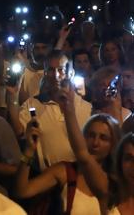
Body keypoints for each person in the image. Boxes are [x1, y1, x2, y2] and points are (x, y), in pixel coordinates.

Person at [14, 111, 121, 214]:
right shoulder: (66, 171)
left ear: (113, 144)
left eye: (103, 138)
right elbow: (22, 191)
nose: (95, 143)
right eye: (91, 135)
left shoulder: (117, 182)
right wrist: (28, 150)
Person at [8, 50, 92, 168]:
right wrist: (12, 96)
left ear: (71, 73)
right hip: (46, 179)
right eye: (51, 70)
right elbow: (19, 131)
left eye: (61, 70)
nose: (56, 76)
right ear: (45, 73)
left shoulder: (88, 109)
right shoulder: (33, 105)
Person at [58, 82, 134, 214]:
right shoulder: (108, 190)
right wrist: (68, 109)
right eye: (128, 158)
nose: (133, 165)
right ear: (119, 160)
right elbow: (83, 155)